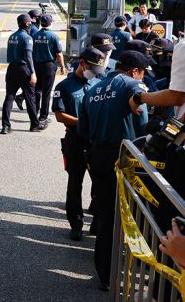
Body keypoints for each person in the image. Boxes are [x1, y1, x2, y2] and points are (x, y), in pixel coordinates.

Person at [78, 50, 151, 291]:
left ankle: (105, 275)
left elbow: (83, 130)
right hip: (125, 157)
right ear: (135, 71)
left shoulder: (93, 89)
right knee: (132, 217)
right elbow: (143, 128)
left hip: (97, 155)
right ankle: (127, 272)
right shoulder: (133, 85)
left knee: (106, 215)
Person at [52, 48, 106, 241]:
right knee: (75, 183)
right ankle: (76, 223)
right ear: (82, 63)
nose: (95, 71)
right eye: (92, 67)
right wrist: (83, 122)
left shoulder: (100, 83)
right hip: (75, 139)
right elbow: (59, 115)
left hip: (97, 141)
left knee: (100, 183)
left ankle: (97, 221)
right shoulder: (65, 86)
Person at [2, 14, 44, 134]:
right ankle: (34, 125)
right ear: (26, 24)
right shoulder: (27, 38)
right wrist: (32, 73)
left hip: (11, 69)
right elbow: (28, 57)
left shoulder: (12, 36)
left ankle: (5, 126)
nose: (32, 24)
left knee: (9, 97)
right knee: (30, 97)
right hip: (24, 69)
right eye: (30, 22)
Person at [32, 13, 66, 124]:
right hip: (49, 66)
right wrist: (62, 66)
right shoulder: (54, 36)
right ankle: (43, 116)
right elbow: (59, 54)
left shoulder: (35, 35)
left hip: (36, 65)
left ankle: (34, 112)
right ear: (50, 23)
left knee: (37, 90)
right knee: (46, 92)